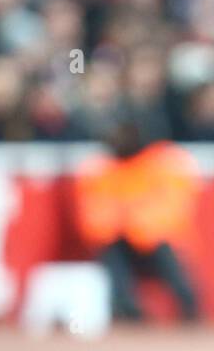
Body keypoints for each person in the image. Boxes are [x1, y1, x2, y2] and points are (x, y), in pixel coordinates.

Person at [73, 119, 202, 322]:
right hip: (119, 240)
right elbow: (93, 217)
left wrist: (132, 222)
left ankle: (189, 306)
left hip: (156, 241)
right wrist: (124, 223)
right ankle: (127, 308)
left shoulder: (163, 163)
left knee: (164, 248)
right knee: (109, 249)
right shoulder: (99, 168)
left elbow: (171, 211)